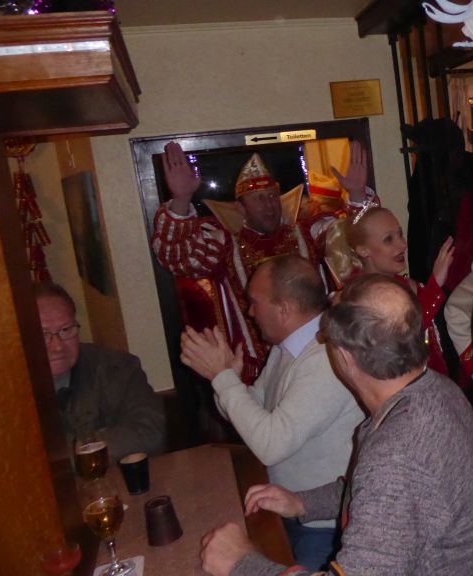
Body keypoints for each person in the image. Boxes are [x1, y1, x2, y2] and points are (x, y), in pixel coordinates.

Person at [199, 274, 473, 576]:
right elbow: (384, 494)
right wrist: (303, 502)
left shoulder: (395, 453)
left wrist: (240, 564)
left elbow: (391, 481)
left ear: (345, 357)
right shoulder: (437, 390)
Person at [178, 256, 363, 570]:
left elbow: (270, 445)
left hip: (325, 527)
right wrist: (227, 379)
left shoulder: (324, 359)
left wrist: (222, 378)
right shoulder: (287, 348)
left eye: (254, 303)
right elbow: (253, 414)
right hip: (289, 508)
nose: (250, 313)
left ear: (284, 309)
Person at [151, 142, 371, 383]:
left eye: (272, 196)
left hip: (318, 358)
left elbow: (364, 238)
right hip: (254, 372)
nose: (269, 204)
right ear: (240, 208)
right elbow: (176, 257)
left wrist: (358, 196)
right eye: (258, 198)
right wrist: (181, 200)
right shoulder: (225, 245)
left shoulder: (309, 233)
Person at [34, 282, 165, 463]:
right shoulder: (4, 392)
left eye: (66, 330)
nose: (57, 346)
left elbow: (149, 431)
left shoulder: (116, 368)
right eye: (43, 334)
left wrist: (74, 452)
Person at [340, 205, 454, 377]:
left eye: (400, 234)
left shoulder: (409, 285)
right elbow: (399, 340)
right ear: (363, 250)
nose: (403, 245)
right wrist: (435, 287)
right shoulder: (358, 298)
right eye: (388, 239)